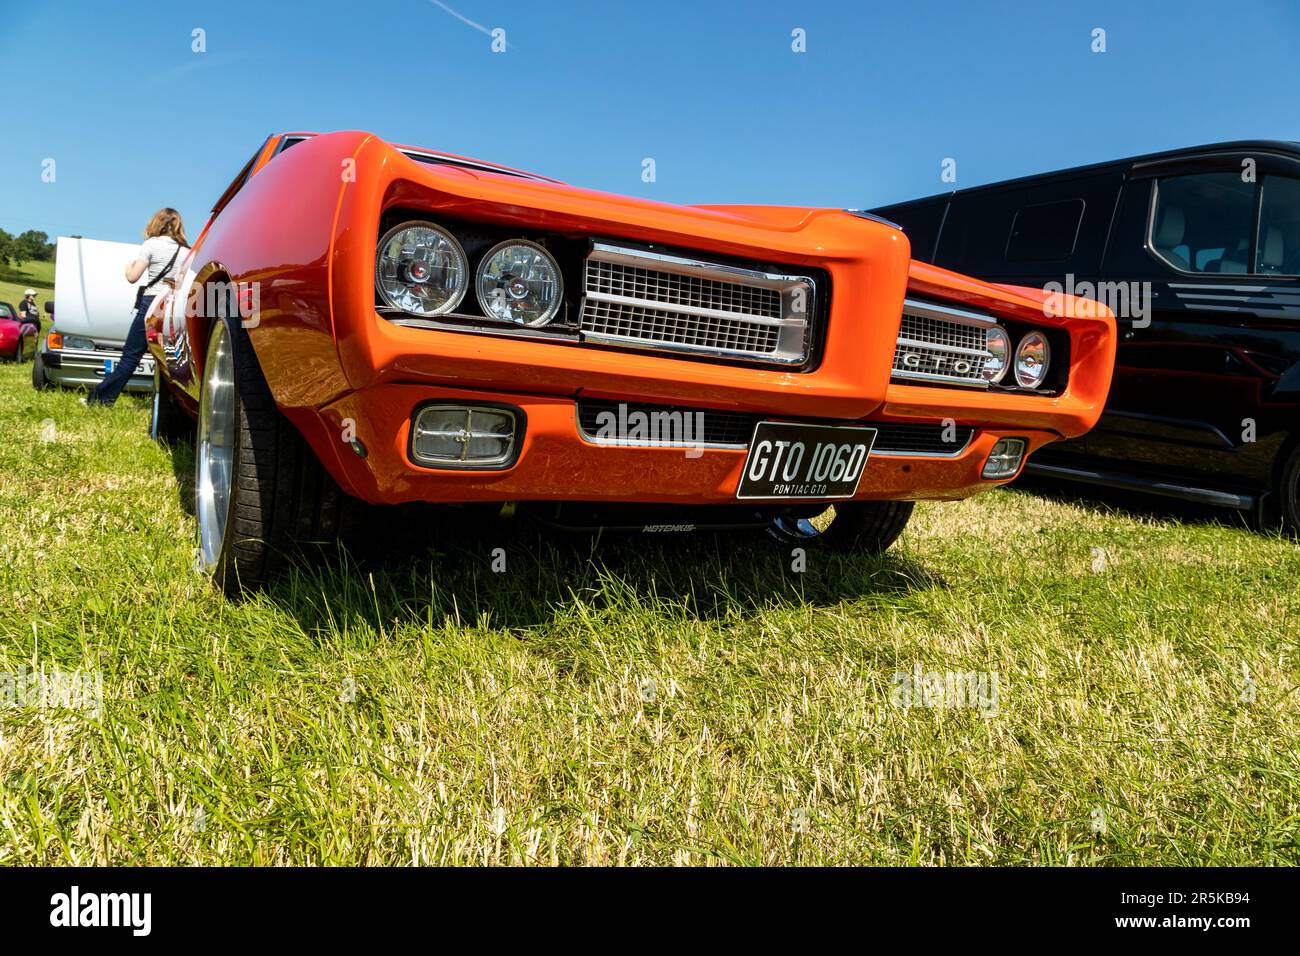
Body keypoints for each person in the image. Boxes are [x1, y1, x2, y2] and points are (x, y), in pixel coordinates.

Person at [85, 208, 188, 407]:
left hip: (150, 305)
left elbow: (133, 277)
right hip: (171, 306)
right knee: (170, 359)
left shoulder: (151, 245)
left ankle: (100, 399)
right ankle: (174, 405)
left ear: (157, 223)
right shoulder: (185, 251)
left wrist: (128, 267)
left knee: (131, 356)